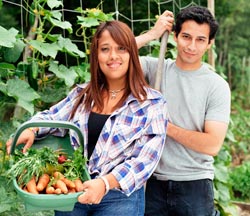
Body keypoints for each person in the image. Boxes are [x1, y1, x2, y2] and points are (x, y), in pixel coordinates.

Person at [6, 20, 168, 216]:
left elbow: (145, 161)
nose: (113, 56)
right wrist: (30, 129)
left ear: (131, 54)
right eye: (105, 49)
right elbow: (52, 116)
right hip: (73, 190)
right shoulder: (82, 94)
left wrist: (105, 183)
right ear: (97, 56)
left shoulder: (151, 103)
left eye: (121, 48)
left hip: (119, 199)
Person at [136, 6, 231, 216]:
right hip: (152, 183)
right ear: (175, 36)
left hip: (195, 185)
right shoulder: (154, 69)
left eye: (200, 40)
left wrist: (165, 127)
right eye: (186, 37)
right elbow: (110, 57)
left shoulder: (216, 86)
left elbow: (212, 144)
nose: (191, 46)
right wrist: (153, 34)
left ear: (209, 44)